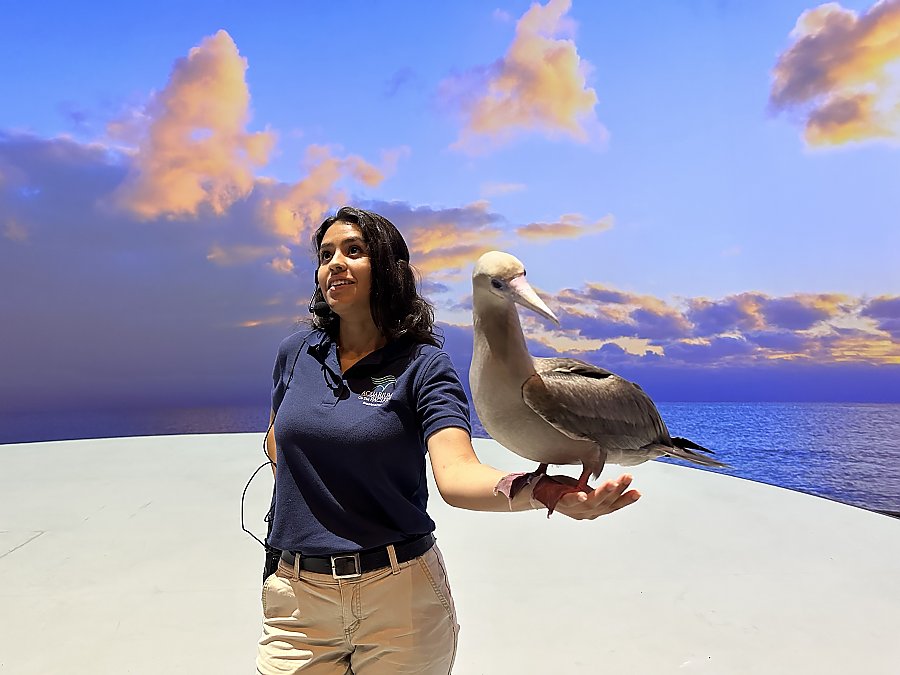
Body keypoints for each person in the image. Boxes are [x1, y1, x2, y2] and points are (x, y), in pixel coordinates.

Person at [256, 206, 641, 675]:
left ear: (388, 269)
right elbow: (278, 442)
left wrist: (541, 490)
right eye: (325, 254)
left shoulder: (424, 365)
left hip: (400, 601)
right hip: (298, 602)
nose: (334, 263)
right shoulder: (294, 354)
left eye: (353, 251)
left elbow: (457, 473)